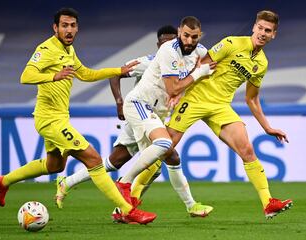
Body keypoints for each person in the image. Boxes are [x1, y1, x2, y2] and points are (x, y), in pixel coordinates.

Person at [0, 7, 156, 225]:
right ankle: (127, 210)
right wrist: (53, 76)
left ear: (77, 28)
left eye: (73, 25)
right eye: (64, 25)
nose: (69, 30)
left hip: (59, 118)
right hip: (49, 119)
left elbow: (86, 74)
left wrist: (118, 71)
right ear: (55, 28)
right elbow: (26, 75)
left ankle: (4, 181)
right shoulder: (46, 48)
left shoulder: (69, 50)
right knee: (94, 159)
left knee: (54, 166)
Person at [56, 25, 213, 217]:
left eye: (172, 40)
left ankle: (69, 182)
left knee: (115, 161)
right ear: (159, 44)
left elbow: (188, 79)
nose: (170, 44)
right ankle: (188, 205)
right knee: (166, 155)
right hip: (140, 111)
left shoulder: (186, 60)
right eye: (165, 41)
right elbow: (116, 74)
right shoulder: (148, 61)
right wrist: (119, 102)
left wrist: (180, 94)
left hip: (154, 116)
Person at [165, 10, 293, 219]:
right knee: (164, 147)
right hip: (196, 98)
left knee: (247, 150)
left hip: (221, 106)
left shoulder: (261, 64)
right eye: (260, 28)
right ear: (254, 27)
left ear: (273, 35)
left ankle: (268, 203)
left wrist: (267, 127)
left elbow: (251, 99)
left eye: (267, 30)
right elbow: (201, 64)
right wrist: (178, 91)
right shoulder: (231, 43)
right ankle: (130, 197)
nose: (262, 33)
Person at [113, 16, 216, 218]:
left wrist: (185, 87)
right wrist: (197, 75)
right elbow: (173, 86)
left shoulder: (199, 51)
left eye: (193, 37)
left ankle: (124, 210)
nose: (188, 40)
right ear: (179, 32)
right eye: (185, 35)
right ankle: (124, 183)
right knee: (161, 145)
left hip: (156, 112)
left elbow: (210, 65)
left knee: (166, 159)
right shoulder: (168, 50)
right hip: (139, 104)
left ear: (199, 36)